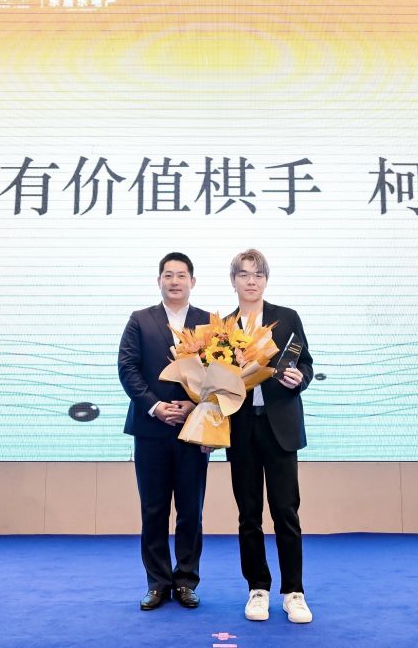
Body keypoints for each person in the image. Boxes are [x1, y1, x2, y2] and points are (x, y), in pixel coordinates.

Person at [118, 252, 211, 611]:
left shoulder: (209, 323)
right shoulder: (140, 320)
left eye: (181, 275)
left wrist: (195, 406)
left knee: (191, 511)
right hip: (150, 430)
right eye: (168, 275)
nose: (175, 281)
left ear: (192, 281)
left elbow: (222, 375)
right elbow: (128, 368)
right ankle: (157, 583)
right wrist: (155, 406)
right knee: (153, 509)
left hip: (193, 430)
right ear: (159, 281)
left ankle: (186, 581)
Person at [226, 248, 315, 624]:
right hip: (241, 428)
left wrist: (300, 378)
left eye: (258, 274)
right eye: (244, 274)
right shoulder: (223, 327)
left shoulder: (287, 317)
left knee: (286, 512)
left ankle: (294, 592)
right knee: (248, 515)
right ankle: (257, 588)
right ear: (233, 281)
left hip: (280, 427)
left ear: (266, 280)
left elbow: (306, 363)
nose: (251, 281)